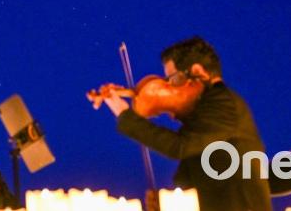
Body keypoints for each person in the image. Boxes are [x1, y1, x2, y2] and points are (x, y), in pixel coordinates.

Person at [100, 37, 272, 211]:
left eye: (173, 78)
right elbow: (187, 180)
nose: (171, 88)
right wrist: (167, 203)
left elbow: (179, 146)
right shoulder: (201, 114)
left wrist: (125, 114)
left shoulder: (223, 102)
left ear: (197, 71)